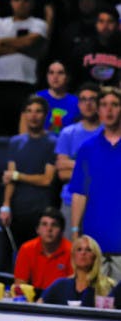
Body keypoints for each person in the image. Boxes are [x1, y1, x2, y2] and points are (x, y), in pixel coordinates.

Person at [0, 0, 48, 136]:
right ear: (11, 2)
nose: (21, 3)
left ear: (32, 3)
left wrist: (2, 41)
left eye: (26, 0)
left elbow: (30, 42)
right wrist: (22, 46)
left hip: (25, 83)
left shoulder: (39, 24)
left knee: (22, 130)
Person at [70, 86, 121, 280]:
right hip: (94, 248)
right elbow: (79, 193)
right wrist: (75, 232)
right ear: (98, 111)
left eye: (115, 105)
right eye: (104, 105)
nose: (109, 110)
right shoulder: (87, 149)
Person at [0, 96, 57, 248]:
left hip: (41, 208)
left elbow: (47, 179)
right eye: (29, 111)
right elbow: (10, 176)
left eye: (38, 111)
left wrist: (18, 176)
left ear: (45, 115)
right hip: (18, 209)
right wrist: (6, 205)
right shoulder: (15, 142)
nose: (33, 115)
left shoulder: (52, 142)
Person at [55, 83, 101, 237]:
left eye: (92, 99)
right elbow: (62, 173)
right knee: (71, 253)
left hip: (101, 201)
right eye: (83, 100)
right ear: (78, 104)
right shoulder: (68, 133)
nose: (87, 104)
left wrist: (73, 165)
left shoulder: (109, 132)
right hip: (70, 201)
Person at [40, 234, 115, 307]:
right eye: (79, 249)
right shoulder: (61, 285)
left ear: (95, 256)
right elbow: (38, 307)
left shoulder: (107, 286)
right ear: (73, 256)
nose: (83, 253)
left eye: (88, 250)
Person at [13, 207, 72, 298]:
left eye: (54, 225)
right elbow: (20, 287)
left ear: (61, 231)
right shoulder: (27, 249)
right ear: (37, 229)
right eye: (44, 224)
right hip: (32, 299)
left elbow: (73, 288)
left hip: (61, 301)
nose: (49, 229)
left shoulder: (71, 251)